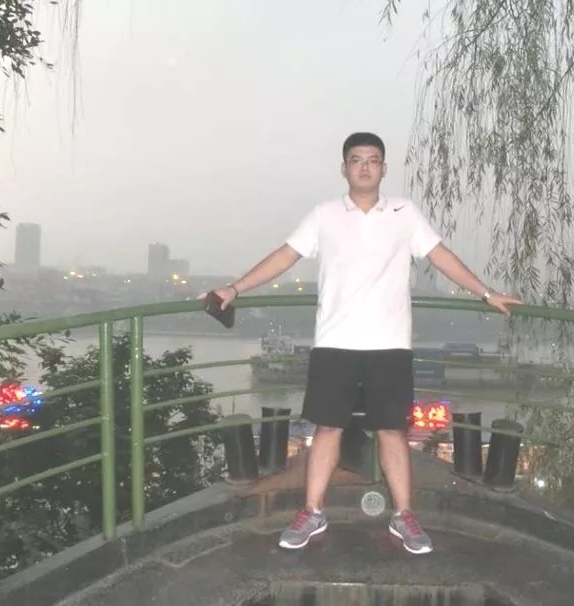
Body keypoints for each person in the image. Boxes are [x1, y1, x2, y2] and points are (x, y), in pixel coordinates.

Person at [208, 132, 521, 555]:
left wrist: (486, 293)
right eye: (356, 160)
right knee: (327, 428)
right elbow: (285, 255)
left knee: (393, 430)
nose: (365, 167)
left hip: (389, 345)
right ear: (344, 168)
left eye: (373, 160)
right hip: (334, 342)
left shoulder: (405, 213)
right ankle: (312, 512)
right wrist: (235, 288)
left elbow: (440, 255)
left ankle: (404, 515)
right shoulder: (324, 215)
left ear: (384, 168)